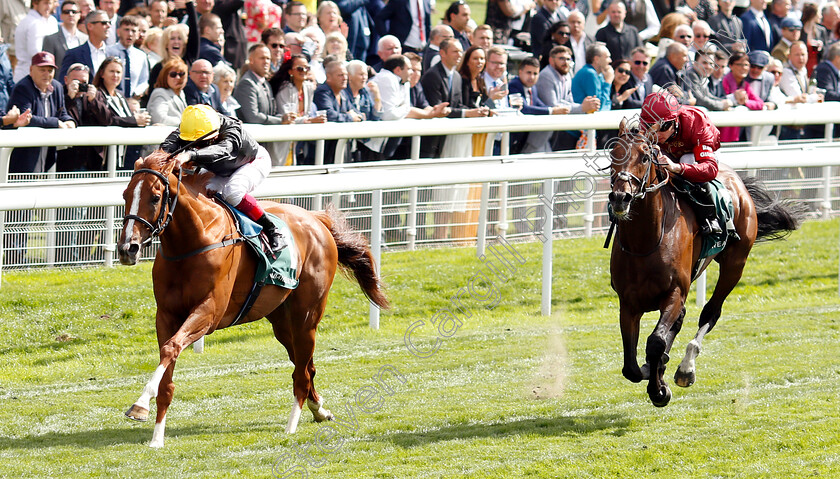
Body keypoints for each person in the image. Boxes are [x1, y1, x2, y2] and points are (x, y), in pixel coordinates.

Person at [161, 104, 286, 253]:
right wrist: (159, 158)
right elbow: (167, 146)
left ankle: (273, 231)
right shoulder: (190, 128)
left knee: (233, 193)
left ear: (215, 133)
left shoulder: (232, 130)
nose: (198, 147)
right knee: (199, 190)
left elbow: (221, 150)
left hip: (252, 161)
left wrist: (190, 155)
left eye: (203, 143)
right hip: (219, 170)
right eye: (193, 143)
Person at [639, 90, 723, 236]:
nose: (657, 134)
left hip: (693, 154)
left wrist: (676, 167)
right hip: (668, 153)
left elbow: (710, 169)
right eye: (651, 126)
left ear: (675, 120)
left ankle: (709, 217)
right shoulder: (645, 128)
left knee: (687, 160)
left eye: (664, 126)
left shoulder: (696, 122)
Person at [92, 55, 151, 168]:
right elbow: (107, 119)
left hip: (122, 154)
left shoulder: (120, 95)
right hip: (101, 157)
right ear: (102, 73)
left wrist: (140, 120)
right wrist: (134, 120)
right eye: (112, 71)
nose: (115, 75)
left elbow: (126, 119)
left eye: (118, 72)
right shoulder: (97, 95)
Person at [13, 0, 59, 83]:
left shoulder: (51, 21)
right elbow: (36, 54)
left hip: (44, 76)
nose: (49, 7)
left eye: (50, 3)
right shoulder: (33, 23)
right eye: (45, 3)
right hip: (27, 76)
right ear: (35, 3)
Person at [105, 14, 149, 99]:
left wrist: (138, 92)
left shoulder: (141, 56)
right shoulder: (108, 51)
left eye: (133, 31)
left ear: (137, 34)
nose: (130, 34)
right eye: (126, 30)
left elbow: (144, 80)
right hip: (111, 98)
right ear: (118, 32)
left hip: (132, 99)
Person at [42, 0, 88, 70]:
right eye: (66, 12)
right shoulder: (50, 39)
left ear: (79, 15)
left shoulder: (86, 39)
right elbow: (47, 67)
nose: (70, 14)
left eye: (74, 12)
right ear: (61, 16)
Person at [147, 56, 188, 126]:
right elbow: (159, 119)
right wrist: (185, 122)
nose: (178, 78)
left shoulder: (181, 93)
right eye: (173, 74)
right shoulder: (160, 93)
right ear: (165, 76)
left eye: (181, 74)